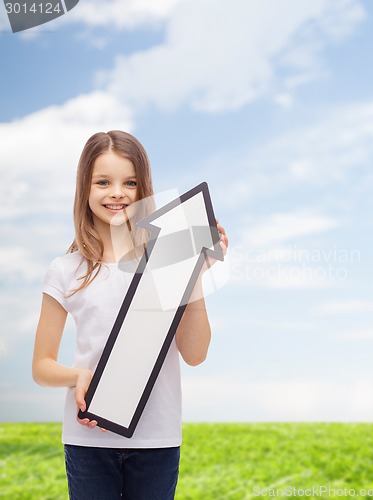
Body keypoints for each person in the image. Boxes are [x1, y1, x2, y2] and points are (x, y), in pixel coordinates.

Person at [32, 130, 228, 500]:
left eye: (130, 182)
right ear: (84, 189)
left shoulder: (167, 259)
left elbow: (195, 354)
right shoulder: (65, 269)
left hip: (157, 438)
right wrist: (80, 376)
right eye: (103, 182)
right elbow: (41, 366)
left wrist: (194, 270)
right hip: (88, 440)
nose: (117, 192)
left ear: (144, 190)